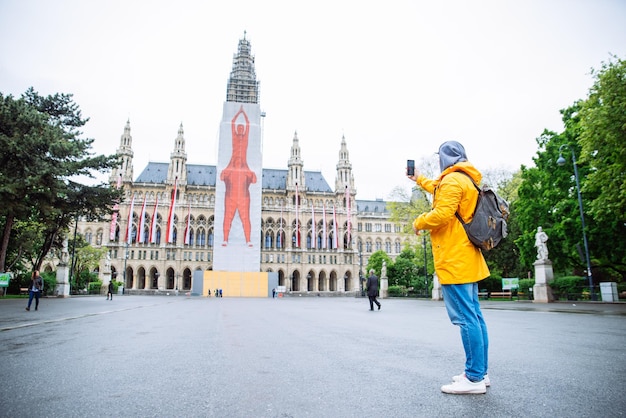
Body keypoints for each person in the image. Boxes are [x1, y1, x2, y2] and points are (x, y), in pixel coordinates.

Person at [408, 141, 490, 395]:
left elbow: (442, 213)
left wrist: (419, 221)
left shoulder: (453, 181)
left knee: (466, 318)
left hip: (455, 258)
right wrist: (419, 178)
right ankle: (479, 372)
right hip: (466, 257)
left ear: (445, 159)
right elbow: (438, 190)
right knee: (474, 316)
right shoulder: (465, 179)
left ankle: (474, 378)